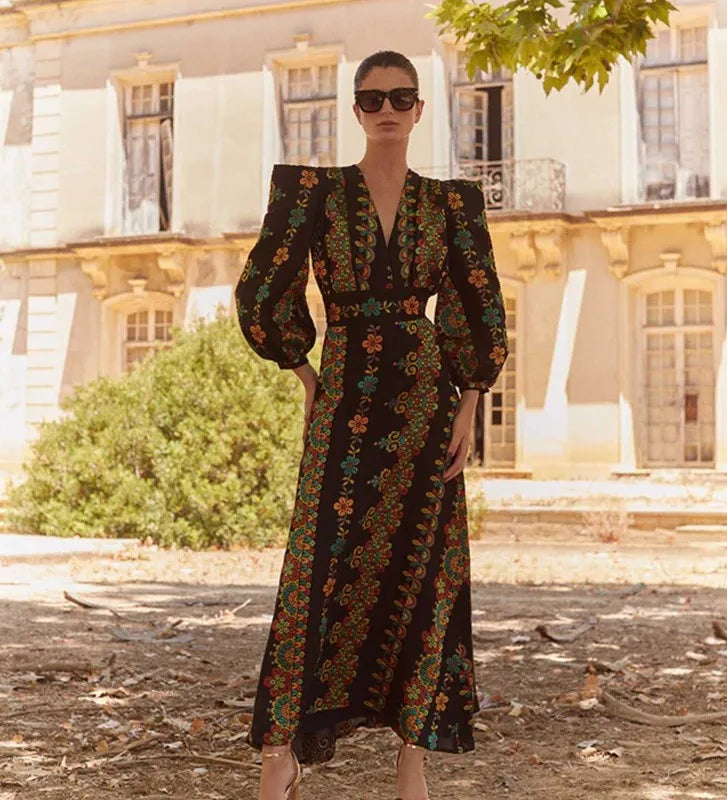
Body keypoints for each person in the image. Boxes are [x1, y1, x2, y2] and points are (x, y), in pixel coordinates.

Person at [235, 49, 508, 800]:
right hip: (346, 392)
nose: (387, 108)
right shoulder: (315, 195)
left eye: (401, 96)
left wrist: (469, 401)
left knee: (426, 567)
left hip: (424, 400)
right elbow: (262, 288)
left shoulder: (451, 205)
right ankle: (281, 750)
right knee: (316, 564)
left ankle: (411, 757)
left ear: (420, 108)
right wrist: (305, 374)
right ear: (356, 110)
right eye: (373, 97)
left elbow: (477, 301)